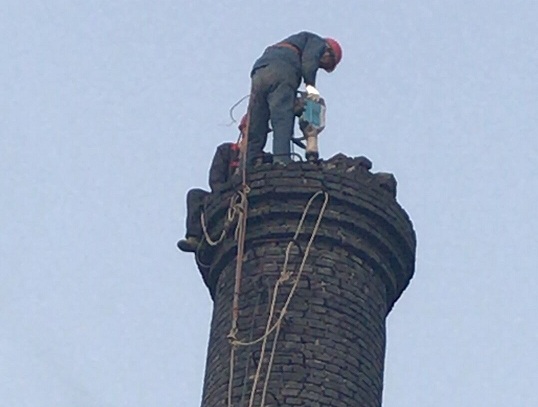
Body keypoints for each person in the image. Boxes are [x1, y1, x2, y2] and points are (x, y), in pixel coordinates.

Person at [246, 31, 342, 165]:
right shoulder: (318, 42)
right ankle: (282, 160)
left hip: (260, 71)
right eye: (324, 64)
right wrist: (311, 88)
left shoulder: (288, 45)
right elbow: (309, 63)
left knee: (257, 120)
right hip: (282, 70)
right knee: (282, 118)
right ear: (328, 52)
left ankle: (251, 161)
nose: (320, 66)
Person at [177, 117, 247, 253]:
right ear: (243, 130)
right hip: (222, 195)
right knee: (195, 195)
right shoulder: (226, 150)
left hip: (243, 198)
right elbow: (216, 181)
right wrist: (231, 187)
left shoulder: (261, 158)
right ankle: (195, 238)